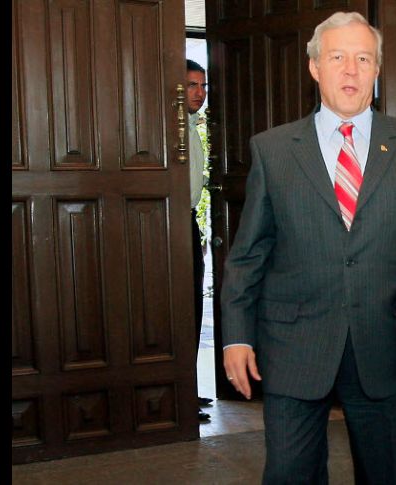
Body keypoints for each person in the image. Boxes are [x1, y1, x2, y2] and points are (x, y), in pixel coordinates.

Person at [220, 12, 396, 484]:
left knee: (386, 473)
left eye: (362, 58)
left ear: (376, 70)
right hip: (294, 345)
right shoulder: (273, 150)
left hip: (385, 344)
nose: (350, 70)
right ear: (315, 68)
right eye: (337, 57)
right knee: (290, 473)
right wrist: (236, 336)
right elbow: (248, 254)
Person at [186, 59, 213, 421]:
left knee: (194, 306)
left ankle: (188, 389)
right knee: (181, 307)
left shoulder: (192, 126)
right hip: (169, 223)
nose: (199, 93)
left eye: (204, 86)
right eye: (192, 85)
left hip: (188, 220)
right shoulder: (169, 126)